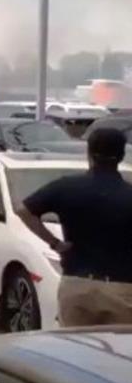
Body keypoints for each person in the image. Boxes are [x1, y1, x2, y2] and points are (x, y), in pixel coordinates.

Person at [17, 127, 132, 326]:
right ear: (121, 156)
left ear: (89, 153)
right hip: (122, 289)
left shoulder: (67, 187)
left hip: (76, 285)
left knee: (74, 351)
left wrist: (55, 244)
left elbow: (24, 211)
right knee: (118, 354)